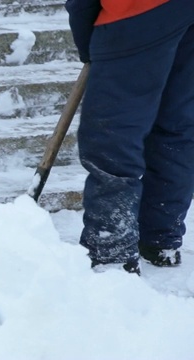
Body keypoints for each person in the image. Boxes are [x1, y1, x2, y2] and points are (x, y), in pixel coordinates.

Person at [65, 0, 194, 274]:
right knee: (176, 128)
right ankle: (161, 240)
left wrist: (90, 40)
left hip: (136, 10)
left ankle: (111, 254)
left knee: (112, 135)